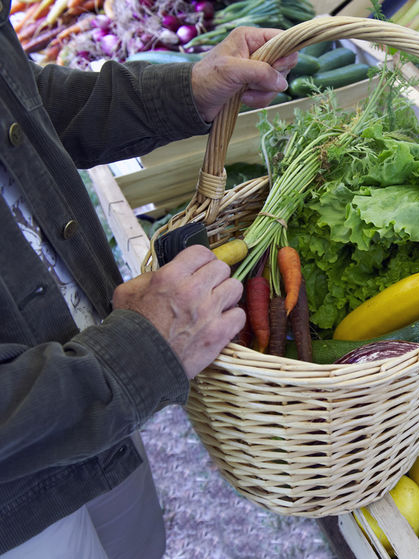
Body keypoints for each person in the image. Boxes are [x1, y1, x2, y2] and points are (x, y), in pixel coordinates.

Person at [0, 4, 297, 557]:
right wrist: (133, 352)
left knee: (140, 542)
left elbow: (23, 103)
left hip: (87, 379)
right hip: (12, 503)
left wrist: (185, 92)